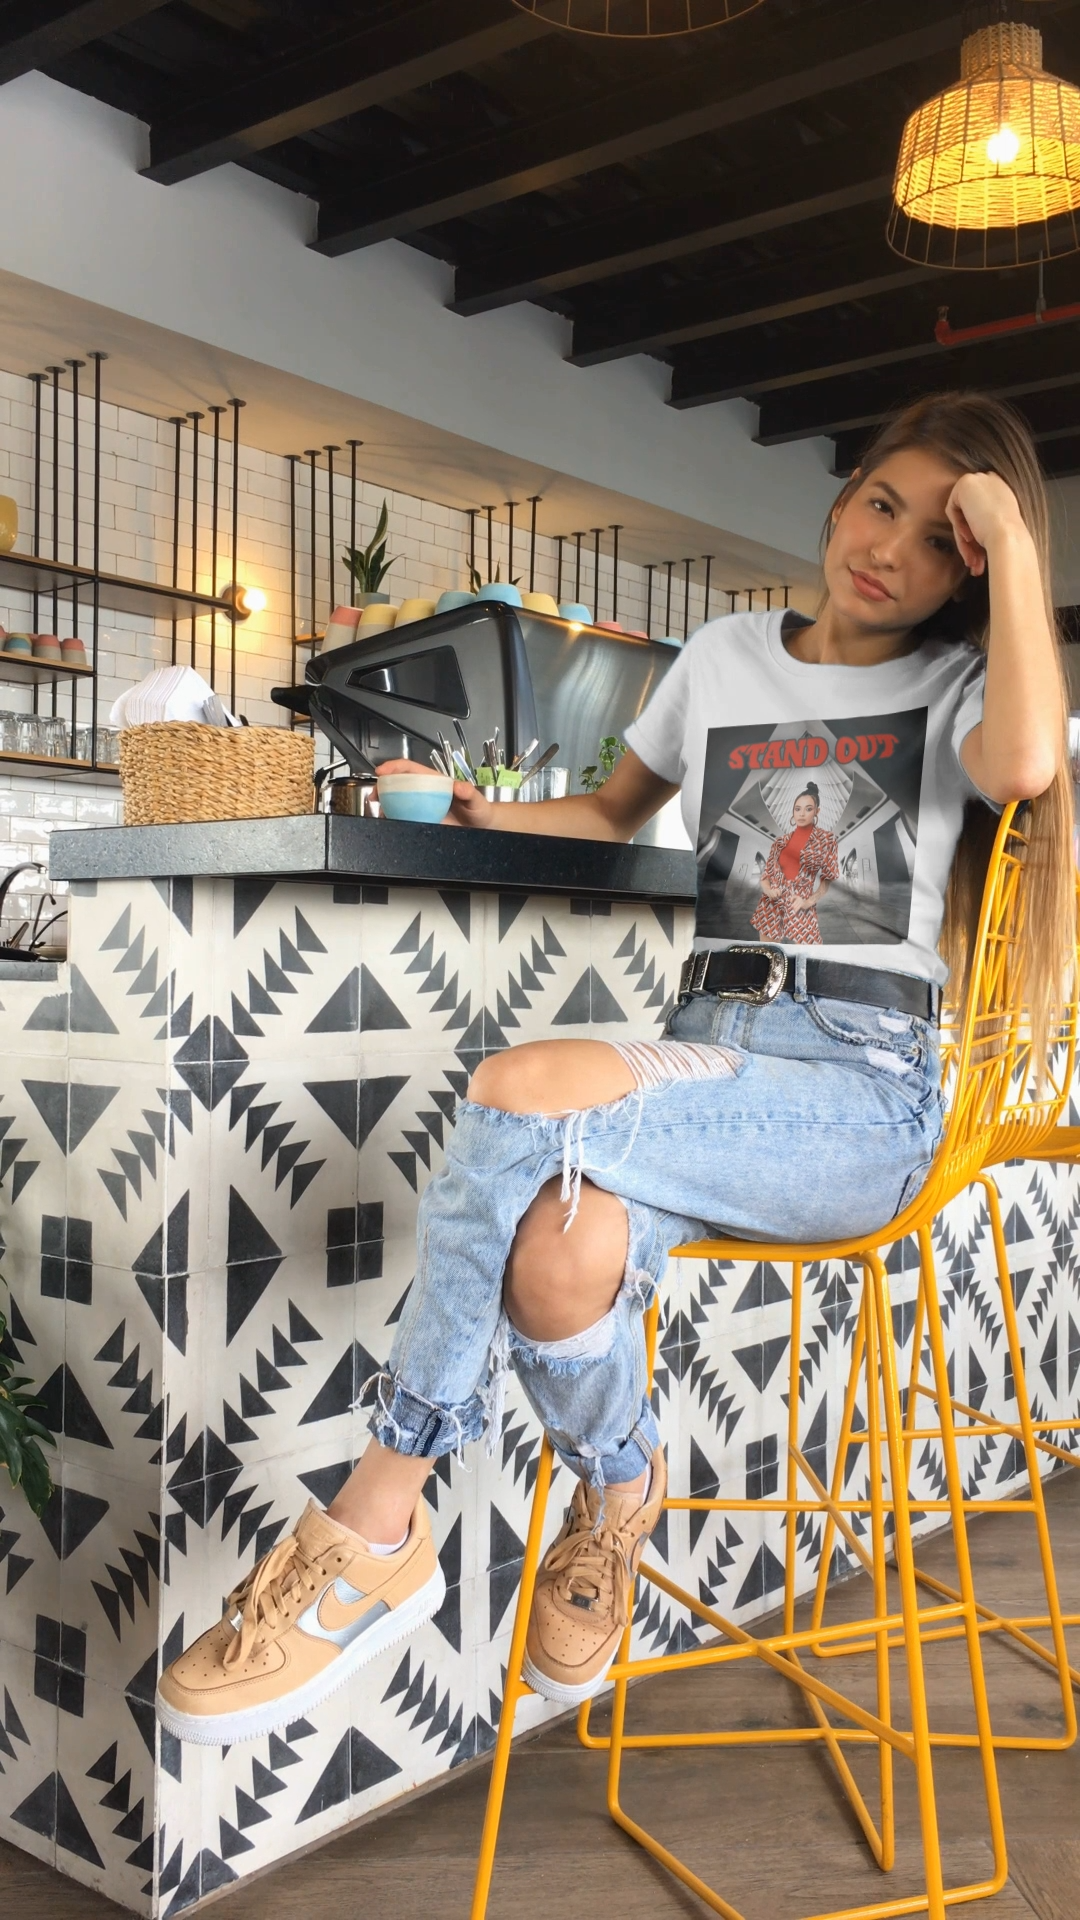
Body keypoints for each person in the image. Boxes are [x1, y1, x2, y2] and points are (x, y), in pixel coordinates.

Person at [157, 392, 1073, 1747]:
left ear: (973, 572)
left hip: (861, 1091)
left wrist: (1017, 539)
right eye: (885, 504)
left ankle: (377, 1519)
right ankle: (619, 1496)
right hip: (713, 1049)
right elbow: (606, 813)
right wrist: (476, 814)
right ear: (842, 499)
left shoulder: (962, 686)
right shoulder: (719, 656)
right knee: (556, 1255)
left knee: (520, 1085)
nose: (893, 549)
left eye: (943, 540)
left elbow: (1030, 760)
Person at [751, 781, 839, 943]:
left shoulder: (827, 840)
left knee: (812, 959)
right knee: (768, 956)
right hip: (771, 906)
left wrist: (809, 902)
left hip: (800, 904)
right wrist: (769, 890)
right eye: (797, 809)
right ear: (792, 812)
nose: (802, 814)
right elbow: (765, 877)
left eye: (808, 809)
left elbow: (828, 878)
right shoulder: (780, 842)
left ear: (817, 811)